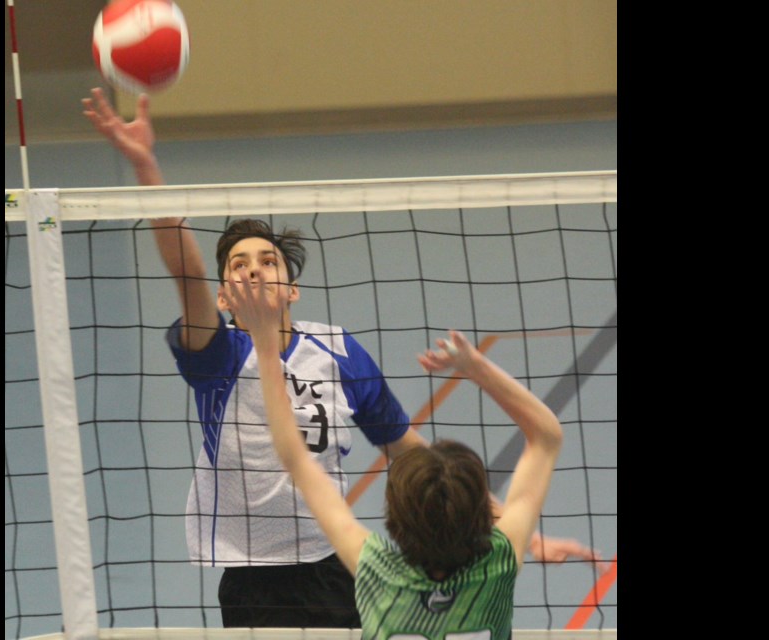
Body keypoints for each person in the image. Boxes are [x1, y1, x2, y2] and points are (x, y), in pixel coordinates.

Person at [81, 87, 601, 629]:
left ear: (292, 290)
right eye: (238, 265)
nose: (253, 270)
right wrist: (146, 167)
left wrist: (504, 529)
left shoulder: (338, 350)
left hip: (335, 557)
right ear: (223, 296)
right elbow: (185, 272)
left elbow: (410, 453)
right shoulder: (215, 355)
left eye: (267, 261)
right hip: (251, 571)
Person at [225, 270, 565, 639]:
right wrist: (474, 366)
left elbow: (294, 456)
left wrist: (263, 341)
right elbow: (545, 436)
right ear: (482, 517)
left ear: (396, 521)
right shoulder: (501, 563)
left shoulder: (376, 573)